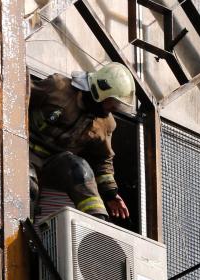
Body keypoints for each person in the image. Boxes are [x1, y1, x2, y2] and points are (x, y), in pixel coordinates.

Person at [29, 62, 135, 221]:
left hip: (55, 163)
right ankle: (21, 231)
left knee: (81, 171)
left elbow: (102, 159)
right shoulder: (58, 87)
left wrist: (110, 193)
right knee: (26, 183)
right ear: (101, 90)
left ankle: (95, 229)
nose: (113, 109)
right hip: (24, 149)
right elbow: (19, 95)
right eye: (112, 102)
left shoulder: (105, 124)